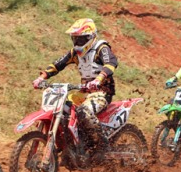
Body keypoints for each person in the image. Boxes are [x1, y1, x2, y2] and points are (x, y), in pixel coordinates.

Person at [32, 18, 118, 154]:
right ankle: (71, 145)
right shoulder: (74, 53)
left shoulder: (101, 48)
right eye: (75, 39)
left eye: (81, 39)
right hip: (83, 92)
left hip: (102, 92)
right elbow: (57, 64)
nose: (77, 43)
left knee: (84, 112)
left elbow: (111, 64)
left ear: (90, 37)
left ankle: (103, 145)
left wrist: (98, 79)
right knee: (61, 109)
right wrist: (41, 78)